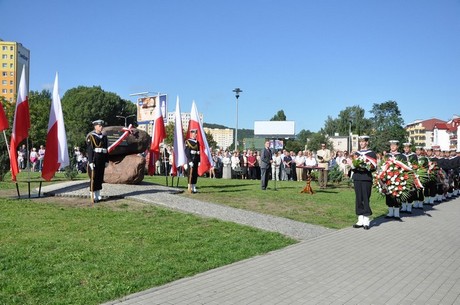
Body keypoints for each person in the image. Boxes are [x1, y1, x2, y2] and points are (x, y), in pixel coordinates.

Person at [351, 136, 377, 230]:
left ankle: (366, 219)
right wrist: (353, 164)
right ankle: (360, 219)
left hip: (366, 177)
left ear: (367, 143)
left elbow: (374, 166)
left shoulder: (371, 153)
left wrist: (366, 166)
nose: (361, 143)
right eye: (360, 142)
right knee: (358, 198)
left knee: (365, 197)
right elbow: (352, 165)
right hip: (357, 177)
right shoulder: (356, 153)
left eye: (363, 142)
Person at [86, 119, 109, 202]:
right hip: (95, 157)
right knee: (94, 176)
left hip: (102, 158)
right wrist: (91, 162)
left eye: (102, 125)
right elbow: (90, 150)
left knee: (100, 176)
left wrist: (107, 160)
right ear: (95, 126)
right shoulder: (91, 136)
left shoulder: (104, 137)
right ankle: (92, 193)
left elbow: (106, 149)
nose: (101, 127)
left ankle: (98, 193)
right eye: (99, 126)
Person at [384, 140, 407, 220]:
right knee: (389, 195)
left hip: (398, 179)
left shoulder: (402, 156)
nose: (392, 147)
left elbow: (405, 167)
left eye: (394, 145)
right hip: (388, 179)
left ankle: (396, 213)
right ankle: (390, 213)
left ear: (397, 146)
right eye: (391, 145)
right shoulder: (387, 155)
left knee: (397, 195)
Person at [184, 129, 200, 193]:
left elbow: (198, 152)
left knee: (195, 174)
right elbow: (187, 152)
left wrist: (199, 160)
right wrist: (190, 160)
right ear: (192, 134)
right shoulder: (188, 141)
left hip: (196, 159)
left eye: (196, 133)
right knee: (190, 174)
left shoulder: (197, 142)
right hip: (191, 159)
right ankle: (189, 186)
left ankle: (194, 187)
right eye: (194, 133)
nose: (195, 135)